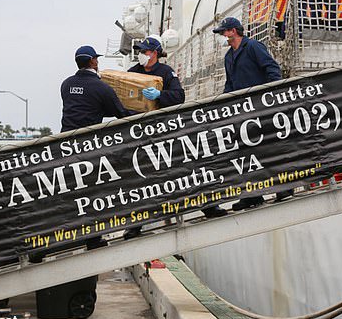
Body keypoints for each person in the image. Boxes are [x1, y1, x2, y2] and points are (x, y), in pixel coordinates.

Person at [123, 36, 227, 240]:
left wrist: (160, 96)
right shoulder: (132, 73)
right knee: (141, 180)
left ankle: (209, 207)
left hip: (165, 132)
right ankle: (135, 225)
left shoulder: (165, 73)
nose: (141, 55)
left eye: (145, 51)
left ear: (154, 53)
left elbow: (179, 97)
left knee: (186, 170)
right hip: (141, 134)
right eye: (140, 51)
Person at [60, 45, 132, 248]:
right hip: (88, 149)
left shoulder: (66, 85)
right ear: (93, 61)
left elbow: (83, 105)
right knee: (92, 194)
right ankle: (92, 239)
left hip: (66, 146)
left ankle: (58, 240)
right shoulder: (101, 87)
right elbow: (120, 113)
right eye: (96, 60)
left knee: (71, 194)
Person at [213, 17, 286, 209]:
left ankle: (284, 186)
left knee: (270, 149)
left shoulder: (253, 47)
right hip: (242, 114)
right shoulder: (229, 57)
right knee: (247, 154)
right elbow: (230, 84)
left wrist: (270, 97)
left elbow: (272, 70)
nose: (222, 36)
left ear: (233, 31)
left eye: (223, 32)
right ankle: (253, 194)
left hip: (261, 108)